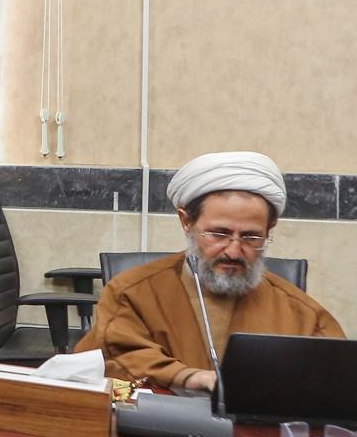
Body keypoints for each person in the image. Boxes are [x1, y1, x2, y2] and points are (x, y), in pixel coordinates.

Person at [77, 151, 344, 390]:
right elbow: (111, 357)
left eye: (251, 237)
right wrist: (186, 377)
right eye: (219, 234)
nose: (234, 251)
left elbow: (336, 378)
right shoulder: (131, 292)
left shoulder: (302, 314)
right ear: (186, 221)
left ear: (269, 229)